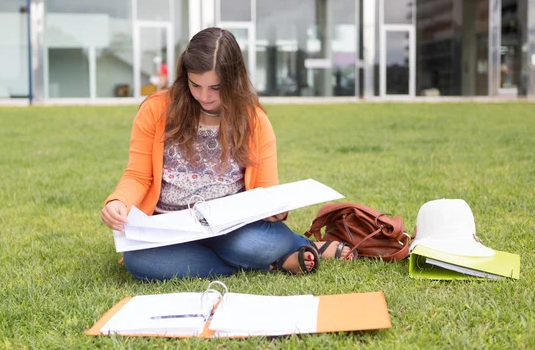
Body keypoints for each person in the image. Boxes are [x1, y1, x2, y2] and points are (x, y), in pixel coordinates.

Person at [100, 27, 355, 282]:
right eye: (195, 85)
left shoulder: (253, 120)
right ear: (184, 76)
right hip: (169, 227)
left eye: (215, 87)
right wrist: (118, 202)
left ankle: (271, 252)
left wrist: (274, 212)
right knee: (139, 261)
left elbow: (267, 190)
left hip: (233, 230)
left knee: (254, 245)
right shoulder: (156, 109)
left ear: (233, 80)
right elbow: (138, 175)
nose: (204, 96)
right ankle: (273, 262)